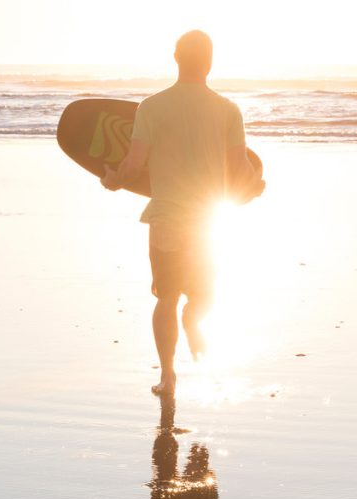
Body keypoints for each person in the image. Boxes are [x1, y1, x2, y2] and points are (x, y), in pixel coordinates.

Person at [101, 30, 256, 396]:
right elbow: (241, 170)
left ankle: (168, 376)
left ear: (175, 58)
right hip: (208, 222)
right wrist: (255, 186)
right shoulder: (228, 110)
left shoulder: (151, 107)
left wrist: (114, 180)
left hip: (167, 220)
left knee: (166, 297)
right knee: (204, 296)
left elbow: (134, 164)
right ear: (210, 62)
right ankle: (194, 322)